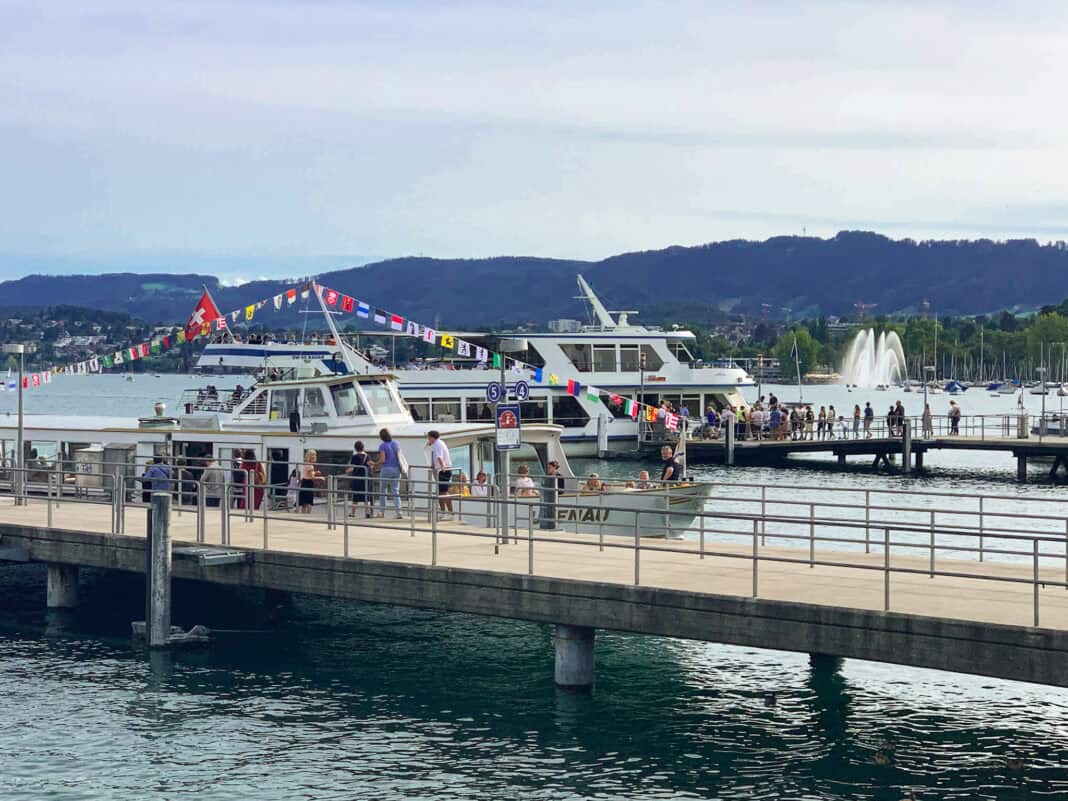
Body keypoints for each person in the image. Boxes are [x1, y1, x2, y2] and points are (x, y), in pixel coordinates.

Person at [375, 428, 403, 518]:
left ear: (381, 437)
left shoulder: (382, 446)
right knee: (395, 491)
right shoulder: (396, 443)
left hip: (386, 469)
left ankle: (382, 512)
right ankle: (399, 512)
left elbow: (383, 460)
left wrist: (375, 463)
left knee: (383, 491)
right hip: (396, 469)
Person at [427, 430, 453, 518]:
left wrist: (442, 468)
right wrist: (433, 465)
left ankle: (445, 513)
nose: (428, 439)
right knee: (444, 492)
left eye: (429, 437)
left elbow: (439, 457)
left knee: (442, 493)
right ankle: (448, 512)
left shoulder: (437, 444)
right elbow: (436, 456)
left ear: (432, 437)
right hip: (445, 469)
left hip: (443, 471)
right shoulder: (440, 442)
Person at [345, 440, 372, 518]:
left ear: (355, 448)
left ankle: (353, 513)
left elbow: (352, 468)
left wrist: (347, 471)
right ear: (363, 447)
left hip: (357, 479)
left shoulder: (355, 457)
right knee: (367, 496)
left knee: (355, 496)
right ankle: (367, 512)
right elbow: (370, 466)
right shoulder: (368, 456)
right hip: (366, 478)